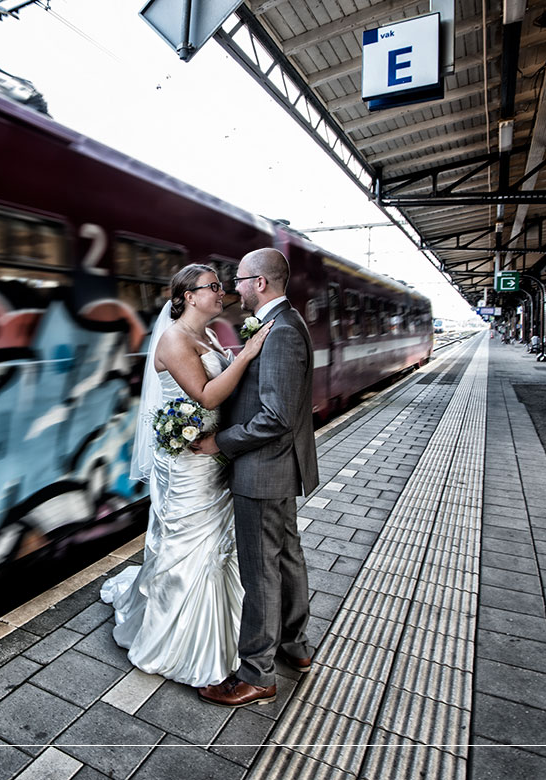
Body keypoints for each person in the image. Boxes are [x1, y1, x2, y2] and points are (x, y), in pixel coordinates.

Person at [101, 263, 272, 687]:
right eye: (213, 286)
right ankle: (173, 643)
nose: (222, 292)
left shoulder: (209, 335)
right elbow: (206, 393)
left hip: (211, 458)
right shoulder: (175, 339)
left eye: (221, 284)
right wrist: (248, 353)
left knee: (216, 546)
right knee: (190, 546)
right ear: (189, 297)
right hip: (189, 463)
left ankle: (220, 633)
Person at [194, 247, 319, 708]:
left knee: (261, 571)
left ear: (260, 283)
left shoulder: (282, 330)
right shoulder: (281, 324)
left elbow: (276, 417)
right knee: (287, 558)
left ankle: (257, 674)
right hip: (277, 469)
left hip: (264, 470)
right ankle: (294, 646)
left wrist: (220, 442)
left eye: (240, 279)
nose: (234, 288)